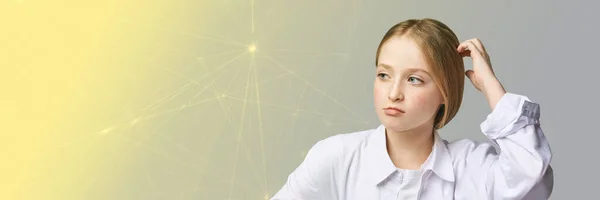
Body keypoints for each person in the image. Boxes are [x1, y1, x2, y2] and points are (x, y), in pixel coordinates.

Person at [270, 18, 553, 200]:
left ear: (445, 91)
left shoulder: (473, 167)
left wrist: (492, 86)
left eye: (414, 79)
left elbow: (533, 182)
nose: (393, 93)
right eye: (384, 75)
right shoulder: (336, 158)